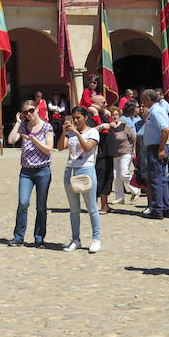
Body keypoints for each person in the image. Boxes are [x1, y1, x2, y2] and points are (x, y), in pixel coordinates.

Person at [7, 100, 53, 247]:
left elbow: (49, 149)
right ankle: (18, 237)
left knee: (41, 206)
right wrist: (18, 123)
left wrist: (33, 140)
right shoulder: (23, 127)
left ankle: (39, 238)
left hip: (43, 171)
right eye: (25, 112)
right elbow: (11, 140)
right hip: (26, 172)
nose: (29, 114)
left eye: (31, 110)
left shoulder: (47, 127)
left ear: (37, 109)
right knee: (23, 203)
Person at [58, 108, 102, 253]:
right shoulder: (70, 133)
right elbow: (59, 147)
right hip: (70, 170)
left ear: (85, 117)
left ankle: (96, 239)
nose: (76, 121)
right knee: (74, 209)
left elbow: (87, 148)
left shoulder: (93, 132)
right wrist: (64, 132)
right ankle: (75, 239)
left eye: (78, 118)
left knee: (91, 207)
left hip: (86, 170)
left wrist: (77, 133)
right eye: (74, 118)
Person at [140, 89, 169, 219]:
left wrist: (161, 149)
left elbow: (165, 130)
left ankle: (157, 208)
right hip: (157, 146)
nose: (141, 101)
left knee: (156, 180)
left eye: (143, 98)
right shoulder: (155, 111)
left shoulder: (156, 111)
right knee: (162, 179)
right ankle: (165, 207)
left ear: (148, 98)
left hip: (156, 147)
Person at [106, 106, 136, 205]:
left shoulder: (124, 125)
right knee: (116, 176)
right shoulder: (109, 127)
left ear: (119, 115)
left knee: (123, 173)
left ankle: (135, 189)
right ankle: (120, 198)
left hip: (125, 152)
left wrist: (134, 150)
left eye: (116, 115)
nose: (114, 117)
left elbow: (133, 138)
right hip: (115, 153)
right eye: (113, 115)